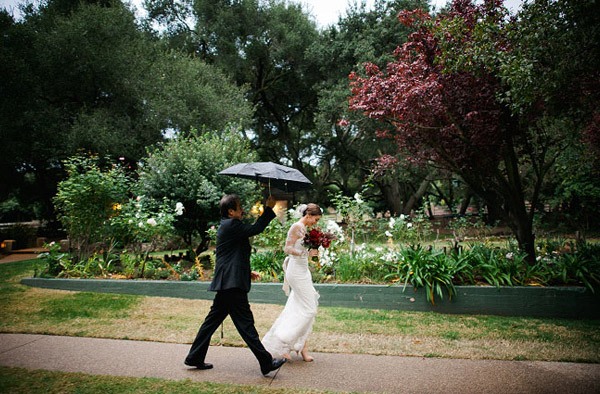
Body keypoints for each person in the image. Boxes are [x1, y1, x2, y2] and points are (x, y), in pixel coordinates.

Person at [184, 194, 287, 376]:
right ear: (231, 211)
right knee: (246, 324)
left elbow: (232, 255)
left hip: (228, 282)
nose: (243, 210)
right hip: (232, 285)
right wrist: (268, 208)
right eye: (239, 208)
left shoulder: (228, 226)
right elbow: (257, 228)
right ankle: (266, 362)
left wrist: (247, 272)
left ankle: (194, 357)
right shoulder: (232, 225)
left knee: (211, 322)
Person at [262, 203, 322, 362]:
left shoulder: (306, 229)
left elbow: (306, 250)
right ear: (308, 215)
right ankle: (285, 342)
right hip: (295, 271)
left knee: (299, 307)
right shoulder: (296, 227)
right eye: (315, 219)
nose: (315, 223)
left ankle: (302, 349)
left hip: (304, 270)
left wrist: (313, 251)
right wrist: (304, 253)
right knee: (310, 310)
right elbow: (287, 249)